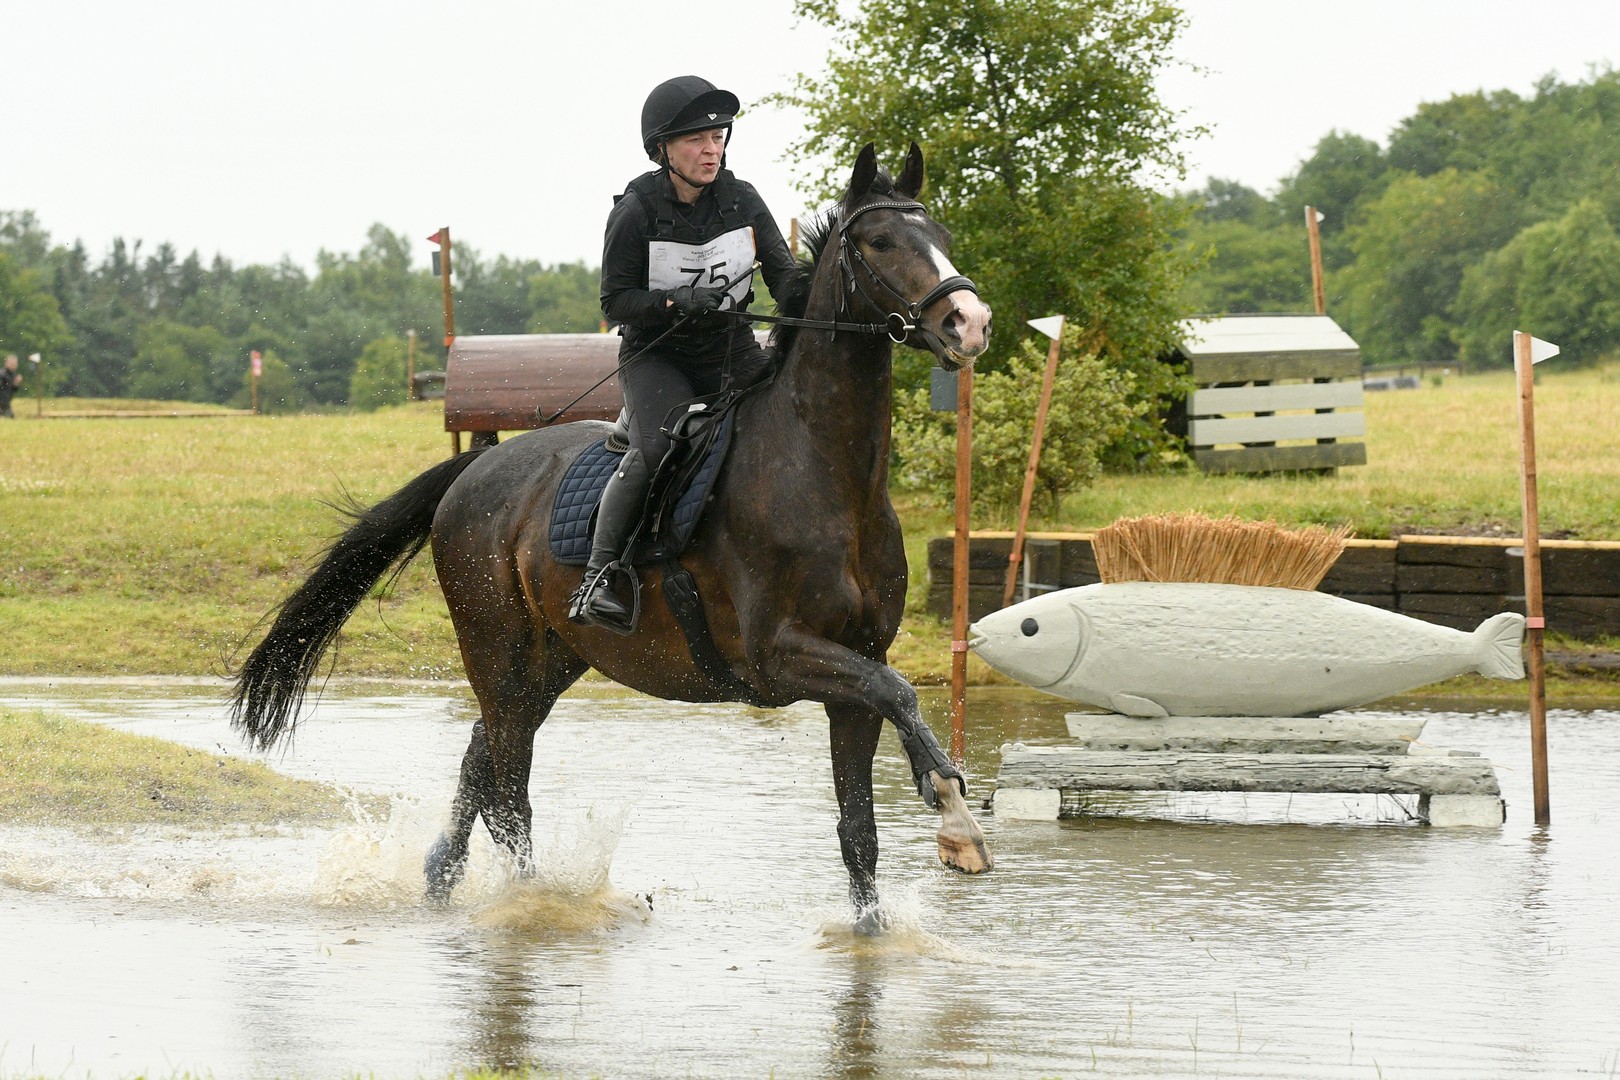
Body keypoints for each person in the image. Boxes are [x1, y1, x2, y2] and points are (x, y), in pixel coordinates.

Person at [570, 75, 797, 630]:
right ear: (663, 149)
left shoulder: (743, 199)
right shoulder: (636, 210)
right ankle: (599, 578)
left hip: (732, 350)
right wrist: (674, 301)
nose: (711, 149)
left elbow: (785, 276)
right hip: (658, 356)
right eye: (696, 139)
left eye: (717, 137)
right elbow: (615, 301)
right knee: (655, 449)